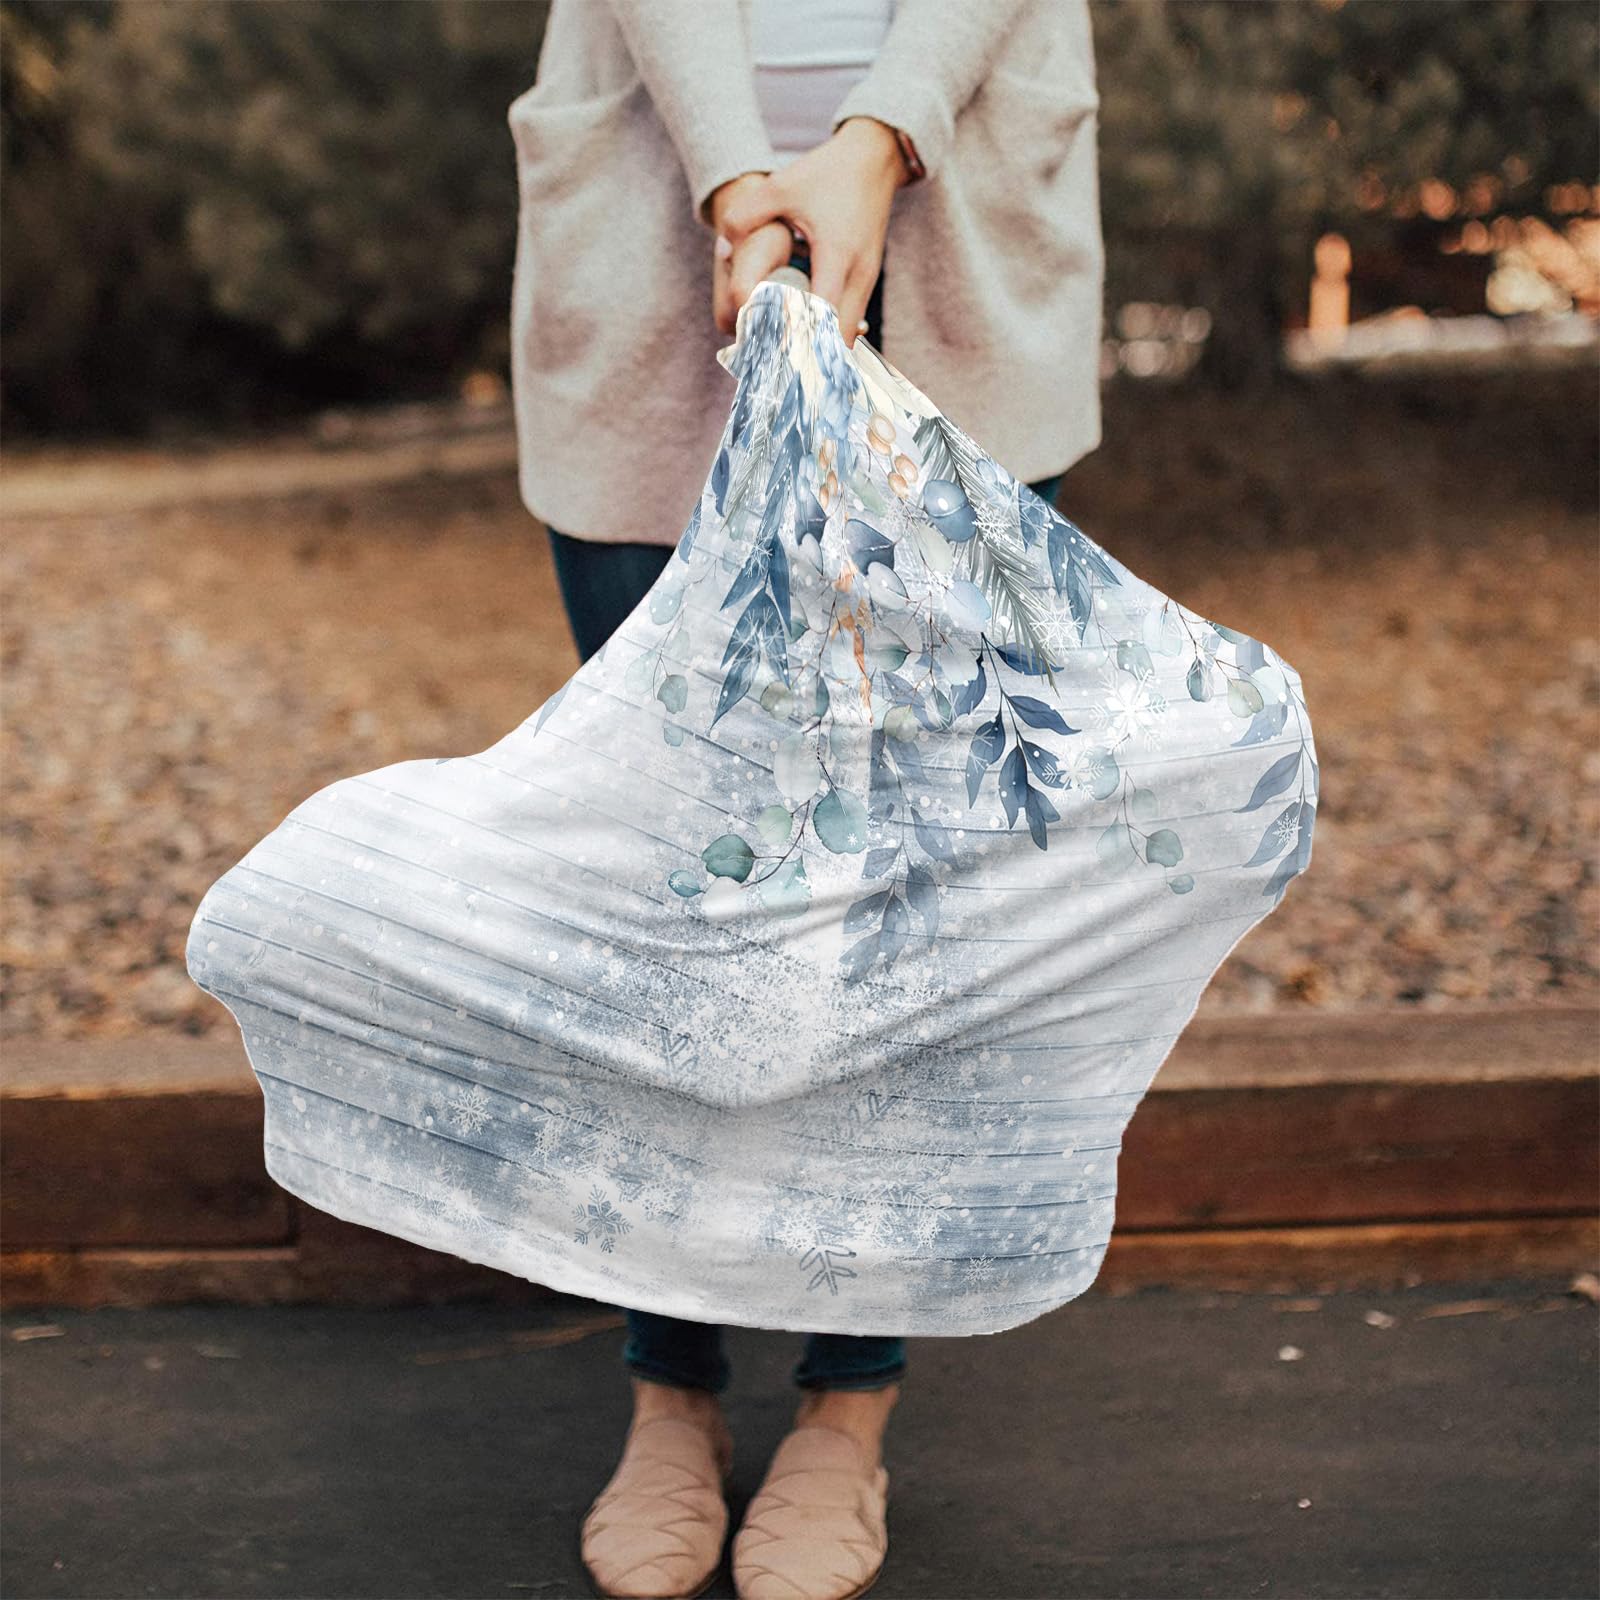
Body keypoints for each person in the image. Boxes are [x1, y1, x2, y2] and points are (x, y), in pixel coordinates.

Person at [505, 3, 1103, 1595]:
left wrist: (876, 137)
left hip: (957, 221)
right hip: (656, 221)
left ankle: (849, 1402)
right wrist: (733, 179)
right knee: (672, 873)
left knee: (905, 882)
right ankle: (670, 1385)